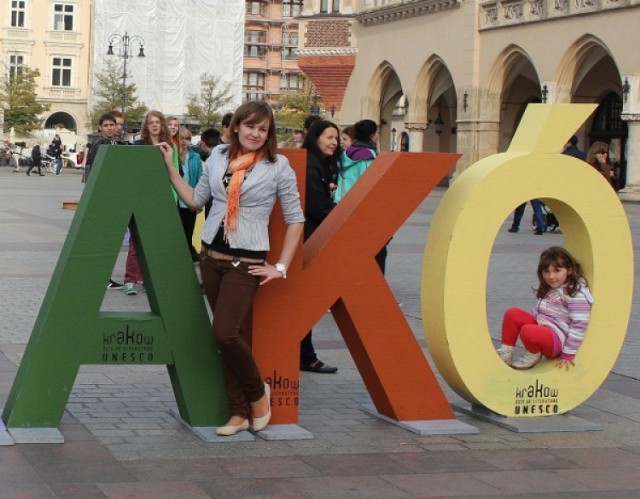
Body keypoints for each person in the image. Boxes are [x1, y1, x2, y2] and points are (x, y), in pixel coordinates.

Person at [159, 100, 305, 436]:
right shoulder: (218, 157)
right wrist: (170, 167)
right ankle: (238, 413)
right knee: (228, 339)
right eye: (250, 126)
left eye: (263, 129)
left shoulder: (278, 166)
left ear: (269, 135)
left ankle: (257, 394)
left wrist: (280, 267)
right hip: (211, 257)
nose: (255, 133)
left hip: (247, 262)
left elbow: (295, 220)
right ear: (237, 126)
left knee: (224, 332)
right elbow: (195, 202)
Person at [496, 246, 592, 370]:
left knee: (528, 330)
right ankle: (506, 352)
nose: (551, 276)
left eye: (557, 271)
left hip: (557, 339)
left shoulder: (574, 293)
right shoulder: (550, 287)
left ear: (569, 270)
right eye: (546, 271)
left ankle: (533, 354)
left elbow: (579, 324)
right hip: (543, 327)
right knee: (513, 313)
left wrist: (568, 353)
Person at [300, 120, 341, 374]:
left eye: (336, 138)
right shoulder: (310, 166)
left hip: (309, 238)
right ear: (315, 137)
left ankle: (305, 354)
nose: (334, 142)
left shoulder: (317, 164)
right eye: (329, 137)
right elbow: (318, 207)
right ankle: (305, 355)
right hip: (307, 241)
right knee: (307, 301)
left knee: (306, 301)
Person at [122, 111, 179, 296]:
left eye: (157, 122)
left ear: (162, 125)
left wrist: (173, 199)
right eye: (150, 123)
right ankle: (130, 280)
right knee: (135, 243)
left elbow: (174, 174)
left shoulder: (170, 147)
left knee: (154, 244)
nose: (154, 125)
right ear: (146, 126)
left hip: (162, 198)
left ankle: (149, 280)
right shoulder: (139, 146)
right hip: (141, 199)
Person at [335, 119, 389, 272]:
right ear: (374, 135)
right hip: (359, 208)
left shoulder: (345, 155)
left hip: (340, 204)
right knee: (376, 252)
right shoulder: (367, 156)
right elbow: (370, 185)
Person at [177, 126, 203, 261]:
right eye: (182, 138)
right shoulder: (173, 155)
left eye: (187, 139)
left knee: (189, 232)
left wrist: (199, 200)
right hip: (176, 200)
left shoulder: (195, 157)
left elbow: (200, 178)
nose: (184, 141)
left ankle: (186, 259)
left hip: (190, 199)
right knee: (177, 234)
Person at [83, 113, 118, 182]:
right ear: (100, 127)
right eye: (106, 125)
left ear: (115, 126)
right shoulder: (98, 144)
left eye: (112, 125)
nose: (109, 128)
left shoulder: (116, 142)